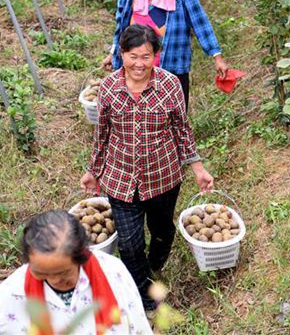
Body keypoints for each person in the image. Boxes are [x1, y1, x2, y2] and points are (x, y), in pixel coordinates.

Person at [82, 24, 214, 312]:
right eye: (133, 56)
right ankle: (142, 293)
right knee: (129, 244)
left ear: (156, 55)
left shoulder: (169, 85)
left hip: (162, 176)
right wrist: (93, 171)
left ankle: (153, 266)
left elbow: (181, 130)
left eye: (146, 56)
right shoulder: (109, 88)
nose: (139, 64)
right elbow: (102, 134)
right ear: (122, 54)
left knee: (162, 231)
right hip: (120, 177)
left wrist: (198, 168)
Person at [0, 210, 152, 335]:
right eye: (41, 273)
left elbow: (138, 325)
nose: (54, 280)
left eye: (63, 273)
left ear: (81, 256)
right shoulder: (13, 293)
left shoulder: (112, 273)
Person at [101, 0, 228, 110]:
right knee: (136, 111)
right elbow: (121, 21)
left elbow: (200, 22)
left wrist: (217, 56)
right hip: (137, 63)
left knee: (174, 113)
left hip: (171, 61)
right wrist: (113, 52)